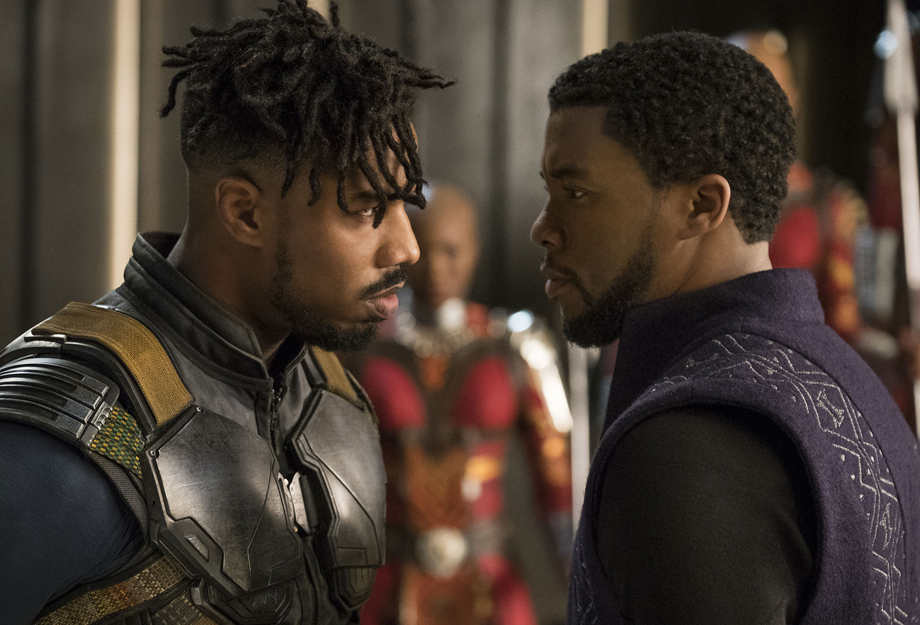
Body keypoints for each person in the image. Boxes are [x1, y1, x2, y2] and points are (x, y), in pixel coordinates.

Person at [0, 2, 451, 623]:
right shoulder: (58, 437)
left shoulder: (331, 395)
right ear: (245, 213)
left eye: (406, 204)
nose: (408, 249)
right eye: (368, 208)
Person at [531, 31, 920, 624]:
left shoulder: (684, 446)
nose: (543, 227)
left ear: (702, 205)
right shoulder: (854, 383)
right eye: (549, 192)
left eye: (576, 193)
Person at [354, 184, 573, 625]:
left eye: (451, 251)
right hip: (391, 582)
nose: (437, 268)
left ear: (473, 251)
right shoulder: (362, 349)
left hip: (490, 580)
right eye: (425, 251)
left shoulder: (515, 348)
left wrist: (576, 577)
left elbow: (557, 481)